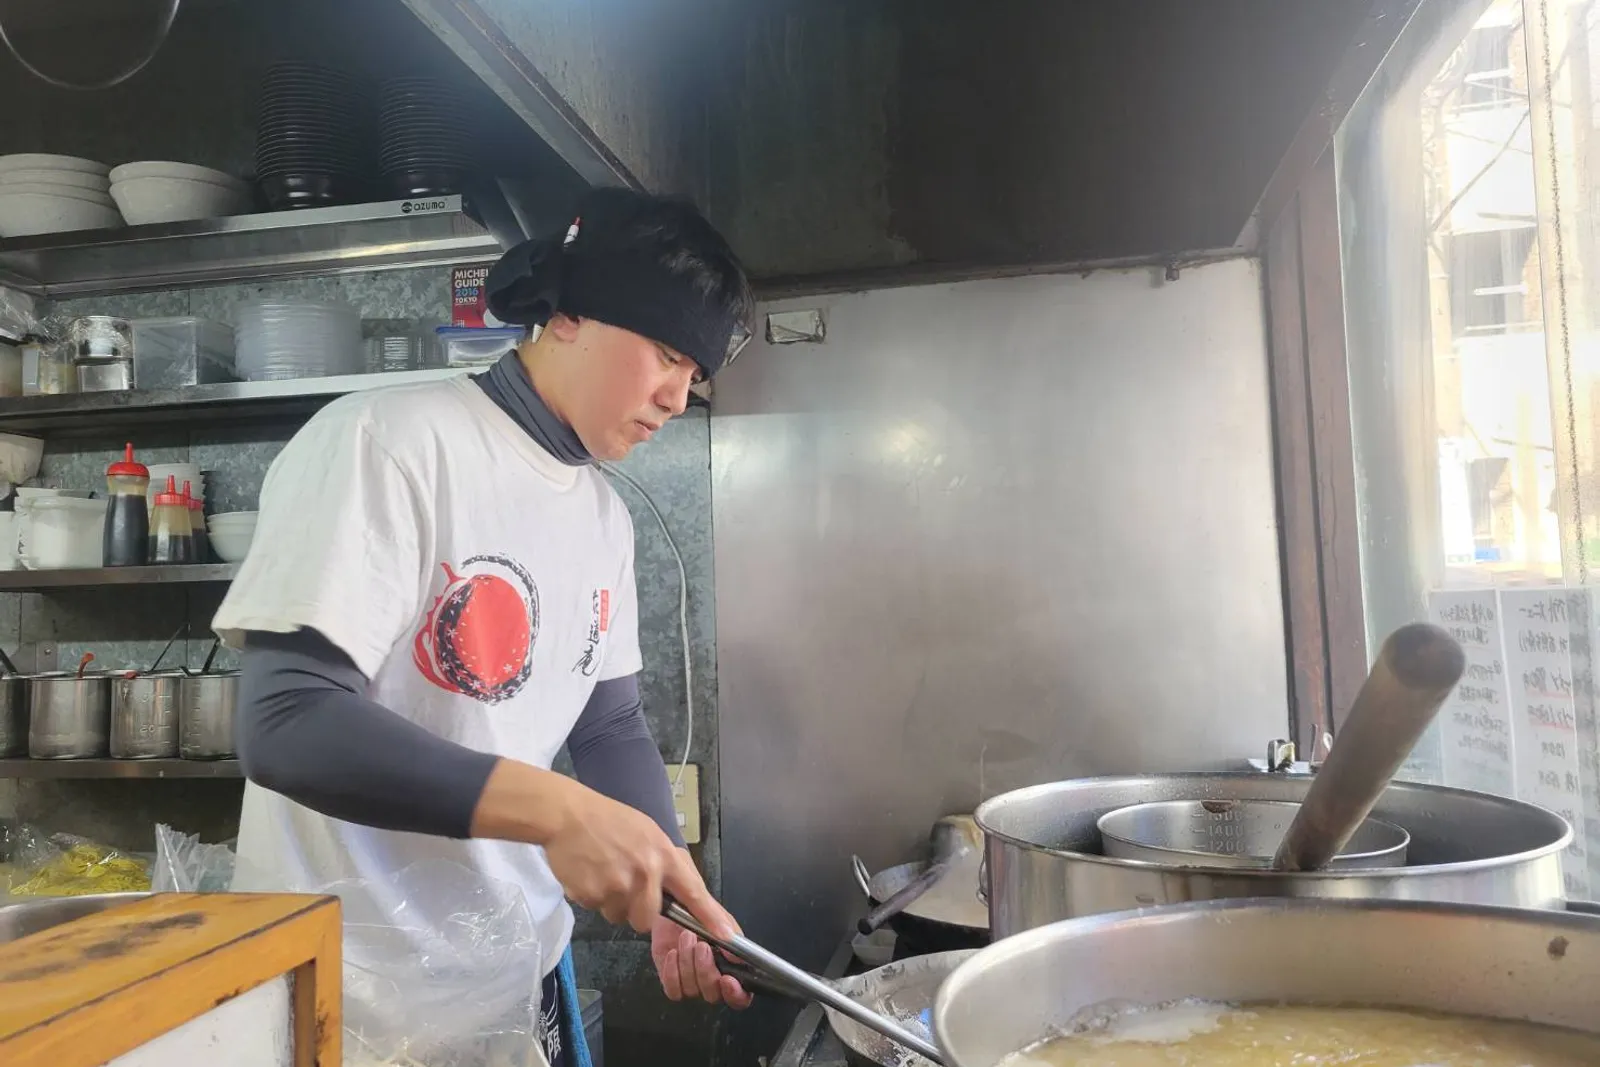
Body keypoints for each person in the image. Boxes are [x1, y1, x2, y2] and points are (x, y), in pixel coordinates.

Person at [212, 187, 756, 1066]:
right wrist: (556, 811)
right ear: (570, 313)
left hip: (508, 978)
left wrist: (676, 894)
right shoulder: (386, 442)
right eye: (665, 352)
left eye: (694, 374)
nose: (675, 394)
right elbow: (287, 721)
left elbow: (608, 723)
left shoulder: (604, 517)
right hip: (340, 992)